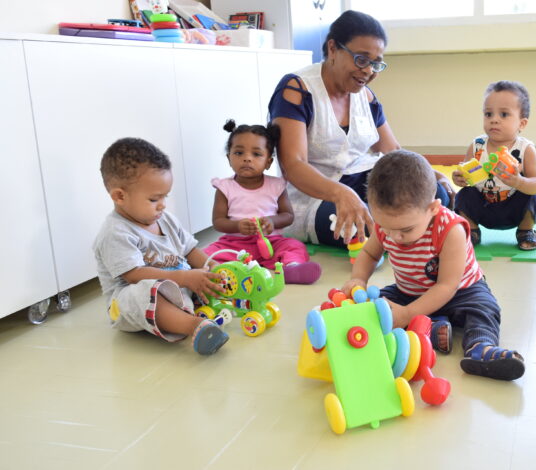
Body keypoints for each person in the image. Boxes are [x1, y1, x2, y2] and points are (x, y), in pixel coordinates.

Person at [268, 10, 453, 249]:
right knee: (363, 226)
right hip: (316, 196)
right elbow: (293, 165)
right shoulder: (296, 89)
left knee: (436, 194)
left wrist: (429, 173)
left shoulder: (365, 96)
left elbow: (392, 151)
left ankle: (406, 229)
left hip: (367, 184)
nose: (368, 71)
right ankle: (412, 231)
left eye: (376, 63)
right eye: (362, 59)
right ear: (333, 48)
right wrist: (340, 194)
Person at [342, 150, 525, 381]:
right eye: (385, 227)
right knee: (374, 306)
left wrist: (408, 314)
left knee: (484, 309)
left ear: (433, 208)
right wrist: (358, 279)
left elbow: (447, 286)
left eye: (406, 230)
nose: (394, 236)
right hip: (410, 291)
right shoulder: (386, 225)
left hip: (462, 291)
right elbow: (369, 253)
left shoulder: (450, 230)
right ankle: (434, 326)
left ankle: (481, 347)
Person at [93, 138, 229, 355]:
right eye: (154, 199)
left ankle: (193, 309)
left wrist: (213, 267)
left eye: (165, 196)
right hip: (133, 304)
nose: (163, 204)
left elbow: (190, 250)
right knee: (143, 292)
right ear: (120, 196)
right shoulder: (115, 232)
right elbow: (134, 275)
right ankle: (194, 325)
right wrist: (186, 278)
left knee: (202, 278)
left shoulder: (165, 219)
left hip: (178, 287)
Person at [203, 120, 321, 284]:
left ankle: (291, 268)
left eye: (256, 154)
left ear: (268, 162)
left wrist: (272, 222)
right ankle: (222, 273)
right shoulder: (224, 187)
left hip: (271, 242)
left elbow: (288, 215)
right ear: (229, 158)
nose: (247, 159)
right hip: (235, 245)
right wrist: (238, 226)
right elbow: (218, 222)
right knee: (207, 253)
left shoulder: (276, 185)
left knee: (294, 246)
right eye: (238, 153)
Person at [452, 81, 536, 250]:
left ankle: (525, 231)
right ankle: (472, 230)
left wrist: (518, 182)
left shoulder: (525, 149)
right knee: (463, 195)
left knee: (533, 196)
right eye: (488, 114)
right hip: (483, 207)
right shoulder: (477, 146)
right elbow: (466, 175)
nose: (494, 120)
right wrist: (460, 178)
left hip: (513, 209)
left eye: (503, 114)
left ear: (521, 124)